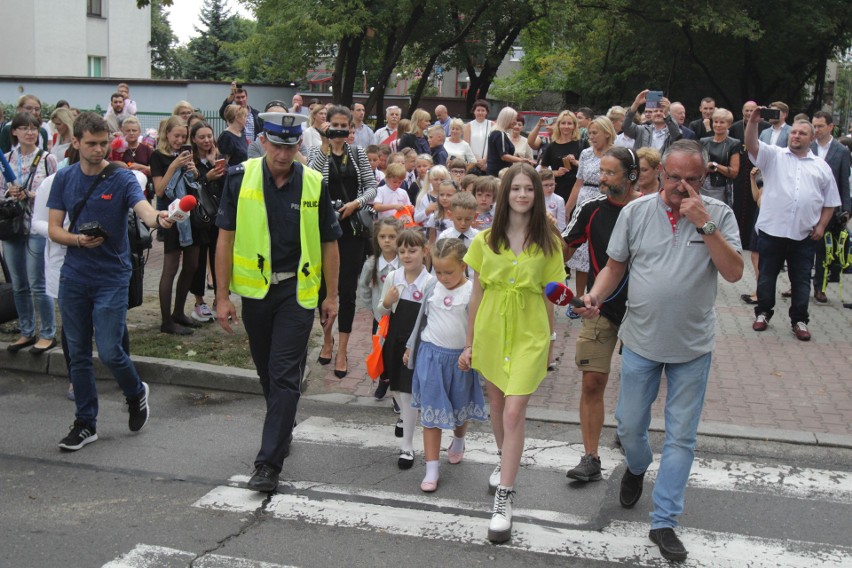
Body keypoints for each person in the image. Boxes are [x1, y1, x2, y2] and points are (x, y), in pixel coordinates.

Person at [575, 139, 743, 562]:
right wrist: (594, 296)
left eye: (691, 179)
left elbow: (735, 272)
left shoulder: (718, 215)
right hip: (641, 342)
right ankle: (636, 464)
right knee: (629, 426)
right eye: (674, 178)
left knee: (681, 437)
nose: (681, 187)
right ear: (659, 174)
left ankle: (664, 521)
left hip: (692, 347)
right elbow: (615, 267)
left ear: (703, 178)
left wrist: (705, 225)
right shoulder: (635, 212)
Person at [215, 111, 341, 492]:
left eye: (290, 146)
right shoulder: (240, 178)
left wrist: (332, 296)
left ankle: (268, 463)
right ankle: (282, 428)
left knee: (285, 375)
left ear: (298, 145)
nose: (283, 154)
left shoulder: (315, 183)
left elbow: (329, 242)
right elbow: (224, 239)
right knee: (268, 371)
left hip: (296, 292)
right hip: (256, 293)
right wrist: (221, 296)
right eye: (277, 145)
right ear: (264, 142)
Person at [48, 112, 174, 451]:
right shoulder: (65, 179)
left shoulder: (121, 177)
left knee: (109, 350)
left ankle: (136, 392)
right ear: (75, 143)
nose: (98, 150)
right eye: (91, 144)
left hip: (112, 276)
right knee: (76, 353)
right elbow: (54, 228)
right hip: (74, 275)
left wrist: (158, 218)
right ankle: (85, 423)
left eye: (104, 143)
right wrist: (77, 241)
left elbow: (144, 210)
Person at [460, 163, 566, 544]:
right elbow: (475, 296)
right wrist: (469, 343)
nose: (522, 195)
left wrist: (552, 338)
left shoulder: (549, 242)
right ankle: (505, 458)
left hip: (530, 332)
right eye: (516, 188)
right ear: (505, 194)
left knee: (514, 409)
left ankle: (504, 497)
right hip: (491, 328)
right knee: (495, 400)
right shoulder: (484, 241)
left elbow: (553, 292)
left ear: (538, 195)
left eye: (529, 189)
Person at [561, 147, 642, 483]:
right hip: (599, 307)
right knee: (592, 381)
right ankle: (591, 457)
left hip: (643, 313)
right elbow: (565, 248)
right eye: (601, 173)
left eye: (610, 173)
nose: (603, 179)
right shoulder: (592, 209)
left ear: (631, 175)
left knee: (638, 386)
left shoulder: (646, 209)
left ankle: (628, 431)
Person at [748, 116, 840, 340]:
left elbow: (831, 202)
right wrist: (752, 123)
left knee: (800, 280)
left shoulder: (821, 167)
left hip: (805, 235)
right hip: (773, 231)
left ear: (812, 138)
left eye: (802, 133)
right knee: (767, 276)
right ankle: (763, 313)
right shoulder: (774, 156)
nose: (796, 135)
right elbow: (751, 144)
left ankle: (799, 319)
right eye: (794, 132)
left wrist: (821, 226)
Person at [407, 238, 487, 492]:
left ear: (464, 265)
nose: (442, 277)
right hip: (430, 357)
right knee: (430, 415)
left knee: (458, 410)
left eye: (448, 272)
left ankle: (459, 439)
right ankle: (431, 468)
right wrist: (411, 347)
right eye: (438, 271)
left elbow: (479, 326)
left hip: (459, 360)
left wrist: (472, 350)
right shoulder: (432, 287)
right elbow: (420, 320)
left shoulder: (473, 290)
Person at [307, 105, 377, 377]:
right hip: (323, 228)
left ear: (351, 128)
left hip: (352, 231)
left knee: (346, 292)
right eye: (332, 125)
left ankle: (343, 350)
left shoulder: (358, 153)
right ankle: (327, 340)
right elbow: (312, 180)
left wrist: (354, 204)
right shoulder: (317, 152)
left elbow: (372, 188)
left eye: (343, 126)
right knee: (323, 289)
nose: (338, 131)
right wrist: (325, 146)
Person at [1, 112, 58, 354]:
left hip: (36, 226)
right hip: (12, 227)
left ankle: (47, 333)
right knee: (18, 283)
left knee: (38, 282)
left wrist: (30, 195)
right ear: (14, 132)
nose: (29, 132)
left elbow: (53, 193)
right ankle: (26, 331)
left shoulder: (47, 159)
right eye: (23, 128)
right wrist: (9, 194)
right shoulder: (6, 159)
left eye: (33, 128)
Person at [376, 229, 432, 469]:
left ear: (424, 251)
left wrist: (417, 345)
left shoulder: (430, 282)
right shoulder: (394, 277)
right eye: (402, 251)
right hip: (395, 338)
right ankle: (402, 417)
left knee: (408, 392)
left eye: (413, 250)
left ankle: (407, 447)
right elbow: (382, 312)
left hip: (417, 340)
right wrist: (388, 301)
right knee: (396, 386)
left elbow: (430, 317)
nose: (407, 256)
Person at [150, 116, 201, 335]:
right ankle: (166, 321)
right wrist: (174, 166)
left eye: (183, 136)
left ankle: (179, 312)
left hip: (191, 216)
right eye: (176, 136)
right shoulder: (157, 156)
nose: (180, 140)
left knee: (192, 264)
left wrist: (194, 171)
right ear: (166, 135)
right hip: (170, 216)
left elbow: (193, 184)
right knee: (170, 269)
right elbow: (159, 190)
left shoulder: (186, 155)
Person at [565, 116, 617, 298]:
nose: (592, 137)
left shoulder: (616, 154)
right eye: (590, 134)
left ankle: (600, 294)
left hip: (605, 200)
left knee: (602, 248)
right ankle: (579, 296)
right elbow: (578, 183)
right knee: (581, 252)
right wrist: (568, 208)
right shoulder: (586, 153)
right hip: (584, 199)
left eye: (595, 133)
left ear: (607, 133)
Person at [358, 216, 403, 402]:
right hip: (381, 317)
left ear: (399, 238)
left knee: (398, 352)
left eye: (392, 237)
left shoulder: (404, 262)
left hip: (400, 317)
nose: (387, 240)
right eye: (382, 236)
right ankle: (384, 380)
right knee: (382, 350)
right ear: (376, 239)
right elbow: (364, 286)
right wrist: (372, 308)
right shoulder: (372, 263)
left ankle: (398, 389)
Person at [810, 110, 851, 303]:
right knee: (801, 248)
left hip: (829, 209)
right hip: (807, 206)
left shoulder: (841, 151)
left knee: (824, 251)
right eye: (814, 126)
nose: (816, 130)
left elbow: (845, 182)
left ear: (830, 127)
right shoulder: (808, 147)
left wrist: (847, 209)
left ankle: (820, 286)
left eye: (820, 126)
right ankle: (797, 285)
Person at [189, 121, 226, 323]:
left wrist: (214, 165)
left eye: (209, 136)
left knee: (219, 257)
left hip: (218, 216)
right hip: (200, 217)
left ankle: (219, 299)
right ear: (194, 139)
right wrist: (206, 178)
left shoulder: (218, 158)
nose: (206, 140)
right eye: (202, 137)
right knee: (199, 260)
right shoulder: (190, 160)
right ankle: (199, 301)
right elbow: (191, 186)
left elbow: (229, 182)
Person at [699, 108, 741, 204]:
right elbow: (697, 164)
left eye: (722, 122)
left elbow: (734, 172)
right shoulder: (703, 141)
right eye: (715, 122)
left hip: (721, 188)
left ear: (729, 125)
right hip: (701, 185)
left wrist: (715, 165)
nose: (718, 125)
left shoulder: (734, 143)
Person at [486, 107, 535, 176]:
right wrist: (521, 160)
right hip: (499, 173)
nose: (515, 122)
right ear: (507, 119)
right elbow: (504, 156)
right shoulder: (500, 134)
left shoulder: (493, 132)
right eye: (514, 119)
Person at [463, 99, 492, 175]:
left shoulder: (492, 125)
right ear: (474, 111)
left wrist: (485, 160)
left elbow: (493, 146)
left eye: (483, 110)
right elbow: (467, 146)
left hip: (488, 163)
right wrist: (475, 161)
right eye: (478, 110)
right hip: (472, 163)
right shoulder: (468, 126)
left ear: (486, 112)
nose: (480, 112)